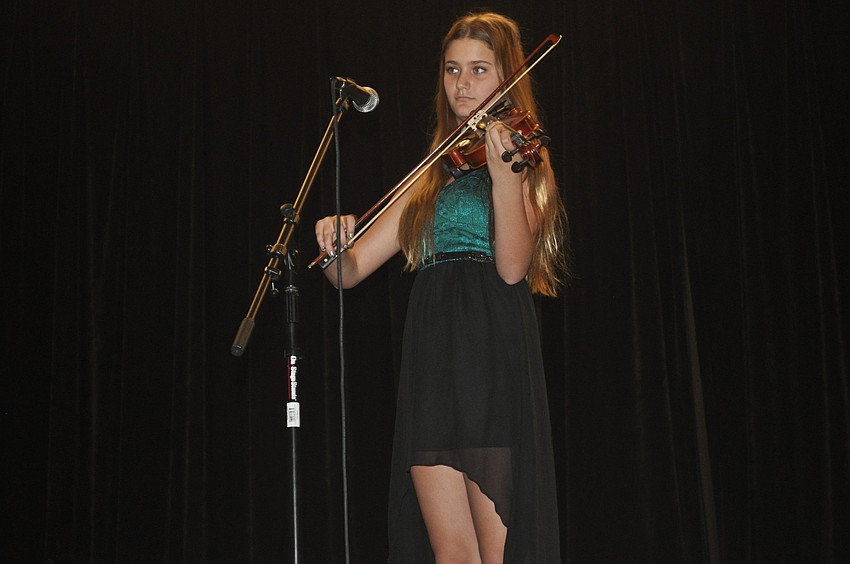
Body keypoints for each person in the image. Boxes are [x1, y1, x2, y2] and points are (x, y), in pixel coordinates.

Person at [315, 11, 568, 563]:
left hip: (488, 346)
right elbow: (349, 271)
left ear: (507, 77)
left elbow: (511, 269)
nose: (462, 84)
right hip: (431, 355)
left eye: (479, 70)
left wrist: (506, 179)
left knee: (496, 550)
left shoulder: (525, 155)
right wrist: (334, 241)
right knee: (451, 554)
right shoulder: (431, 173)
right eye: (453, 70)